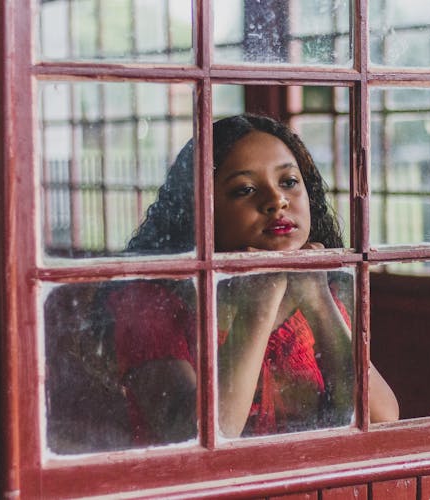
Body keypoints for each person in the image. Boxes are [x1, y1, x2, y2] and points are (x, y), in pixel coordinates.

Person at [108, 114, 398, 444]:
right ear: (202, 211)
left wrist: (318, 301)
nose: (277, 200)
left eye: (288, 182)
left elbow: (382, 419)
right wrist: (261, 303)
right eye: (245, 189)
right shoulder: (151, 305)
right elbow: (196, 436)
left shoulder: (316, 288)